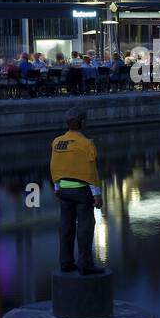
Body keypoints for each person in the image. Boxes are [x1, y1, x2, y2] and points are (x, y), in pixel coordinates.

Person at [50, 108, 104, 274]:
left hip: (64, 191)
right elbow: (90, 170)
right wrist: (97, 194)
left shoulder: (57, 142)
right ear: (83, 123)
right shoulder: (86, 144)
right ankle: (85, 264)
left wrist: (57, 186)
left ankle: (65, 263)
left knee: (66, 226)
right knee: (85, 227)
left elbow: (54, 166)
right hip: (82, 191)